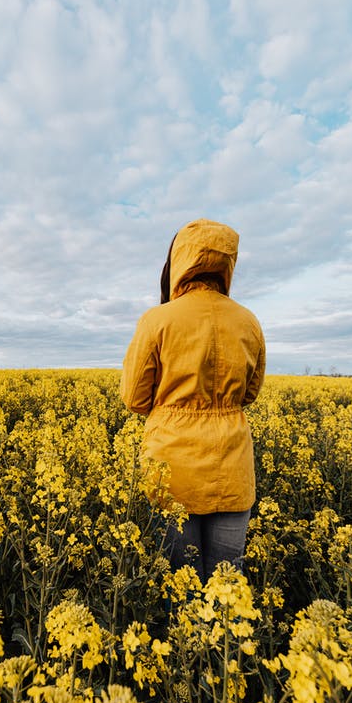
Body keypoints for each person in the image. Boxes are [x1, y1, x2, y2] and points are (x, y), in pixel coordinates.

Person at [120, 218, 265, 584]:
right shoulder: (248, 322)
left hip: (173, 475)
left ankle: (186, 644)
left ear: (178, 262)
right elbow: (249, 394)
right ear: (226, 264)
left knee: (180, 588)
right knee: (228, 593)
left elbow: (134, 398)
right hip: (232, 472)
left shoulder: (158, 320)